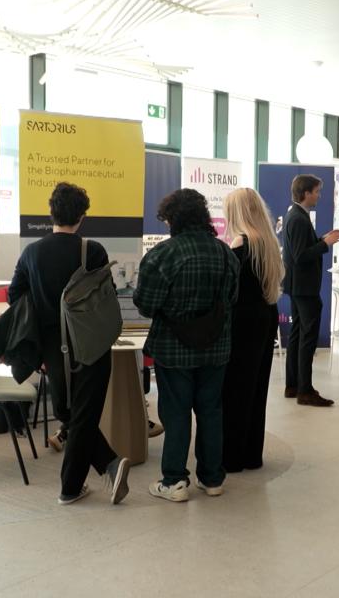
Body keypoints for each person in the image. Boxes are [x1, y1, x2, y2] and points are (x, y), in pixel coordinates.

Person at [7, 182, 130, 506]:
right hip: (91, 343)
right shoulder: (92, 250)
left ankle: (87, 478)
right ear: (82, 216)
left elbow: (15, 296)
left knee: (69, 411)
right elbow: (106, 299)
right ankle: (99, 470)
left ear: (51, 212)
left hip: (52, 346)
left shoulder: (31, 253)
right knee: (82, 414)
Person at [134, 188, 240, 502]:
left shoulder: (162, 255)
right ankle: (212, 479)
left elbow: (145, 305)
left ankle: (174, 481)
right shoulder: (225, 253)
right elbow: (231, 299)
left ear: (173, 219)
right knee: (211, 411)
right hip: (217, 346)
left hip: (173, 347)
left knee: (176, 412)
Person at [220, 188, 283, 472]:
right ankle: (251, 454)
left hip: (242, 321)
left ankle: (232, 457)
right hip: (264, 317)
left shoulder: (240, 246)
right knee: (256, 388)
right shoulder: (267, 242)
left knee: (235, 390)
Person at [282, 174, 339, 407]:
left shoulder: (295, 214)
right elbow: (301, 255)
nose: (319, 195)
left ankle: (293, 385)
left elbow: (302, 247)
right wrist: (325, 244)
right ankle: (305, 391)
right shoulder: (298, 218)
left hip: (298, 286)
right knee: (306, 338)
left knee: (298, 336)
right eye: (317, 191)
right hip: (304, 287)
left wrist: (321, 239)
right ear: (306, 193)